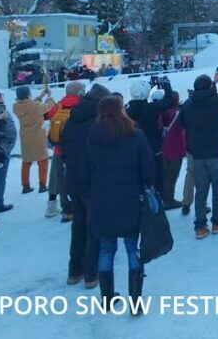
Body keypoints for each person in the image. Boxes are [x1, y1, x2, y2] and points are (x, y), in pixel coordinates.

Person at [85, 95, 157, 312]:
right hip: (130, 199)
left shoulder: (93, 135)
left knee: (106, 249)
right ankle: (135, 300)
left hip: (102, 200)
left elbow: (86, 170)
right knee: (132, 249)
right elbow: (148, 169)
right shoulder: (135, 134)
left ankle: (106, 298)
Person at [62, 83, 111, 289]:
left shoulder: (72, 119)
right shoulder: (100, 123)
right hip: (94, 182)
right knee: (94, 227)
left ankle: (74, 271)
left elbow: (63, 150)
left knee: (78, 225)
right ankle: (91, 273)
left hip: (74, 181)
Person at [180, 67, 218, 239]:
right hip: (216, 153)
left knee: (201, 190)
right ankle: (217, 222)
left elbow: (183, 123)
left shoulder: (188, 105)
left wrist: (213, 83)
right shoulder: (216, 102)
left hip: (197, 154)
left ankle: (200, 226)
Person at [46, 81, 84, 220]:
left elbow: (49, 116)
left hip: (58, 149)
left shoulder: (59, 105)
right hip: (76, 149)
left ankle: (66, 209)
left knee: (61, 179)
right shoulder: (81, 104)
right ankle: (77, 206)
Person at [14, 85, 53, 194]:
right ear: (28, 95)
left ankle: (25, 185)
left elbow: (29, 105)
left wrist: (40, 96)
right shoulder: (35, 106)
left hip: (25, 136)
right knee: (43, 161)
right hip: (38, 135)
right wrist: (49, 96)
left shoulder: (16, 106)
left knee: (26, 161)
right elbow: (49, 106)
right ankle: (42, 184)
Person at [160, 90, 190, 211]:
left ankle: (164, 197)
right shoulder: (178, 113)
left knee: (165, 174)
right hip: (176, 148)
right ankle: (169, 200)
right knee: (172, 175)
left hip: (162, 147)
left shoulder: (161, 112)